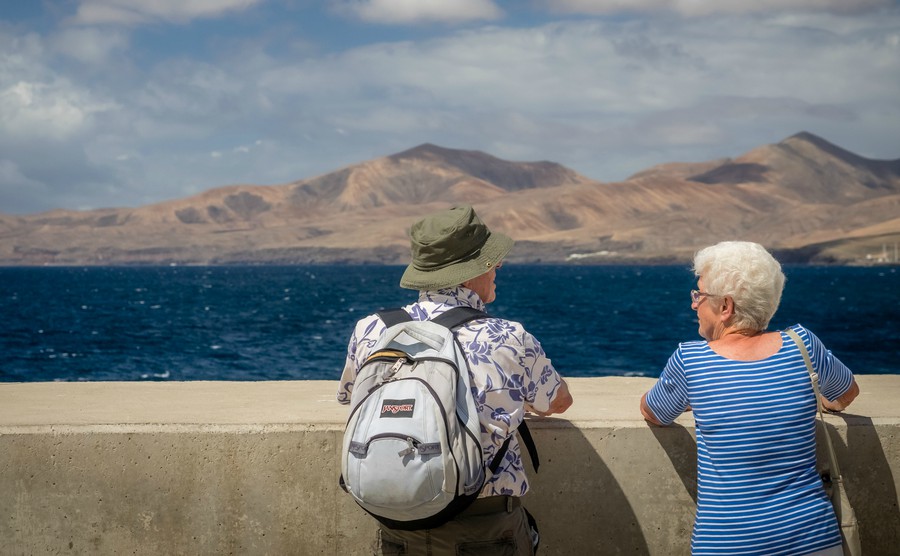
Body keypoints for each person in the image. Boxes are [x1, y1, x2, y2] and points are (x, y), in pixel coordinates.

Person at [338, 204, 573, 556]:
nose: (498, 267)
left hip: (397, 522)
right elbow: (557, 401)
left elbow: (349, 397)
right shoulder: (507, 337)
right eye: (490, 261)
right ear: (468, 273)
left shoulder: (372, 328)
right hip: (486, 528)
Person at [640, 241, 859, 556]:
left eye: (698, 295)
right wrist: (824, 400)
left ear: (725, 306)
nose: (693, 304)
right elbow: (846, 393)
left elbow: (653, 412)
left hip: (729, 546)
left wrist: (693, 396)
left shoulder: (691, 361)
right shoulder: (804, 345)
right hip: (813, 539)